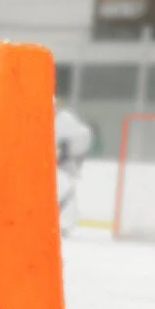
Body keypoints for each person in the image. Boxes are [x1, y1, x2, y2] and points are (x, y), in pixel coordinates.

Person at [54, 98, 93, 233]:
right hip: (56, 165)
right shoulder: (43, 121)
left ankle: (64, 223)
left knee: (63, 188)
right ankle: (61, 222)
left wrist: (70, 154)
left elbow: (83, 136)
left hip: (64, 166)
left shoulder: (64, 120)